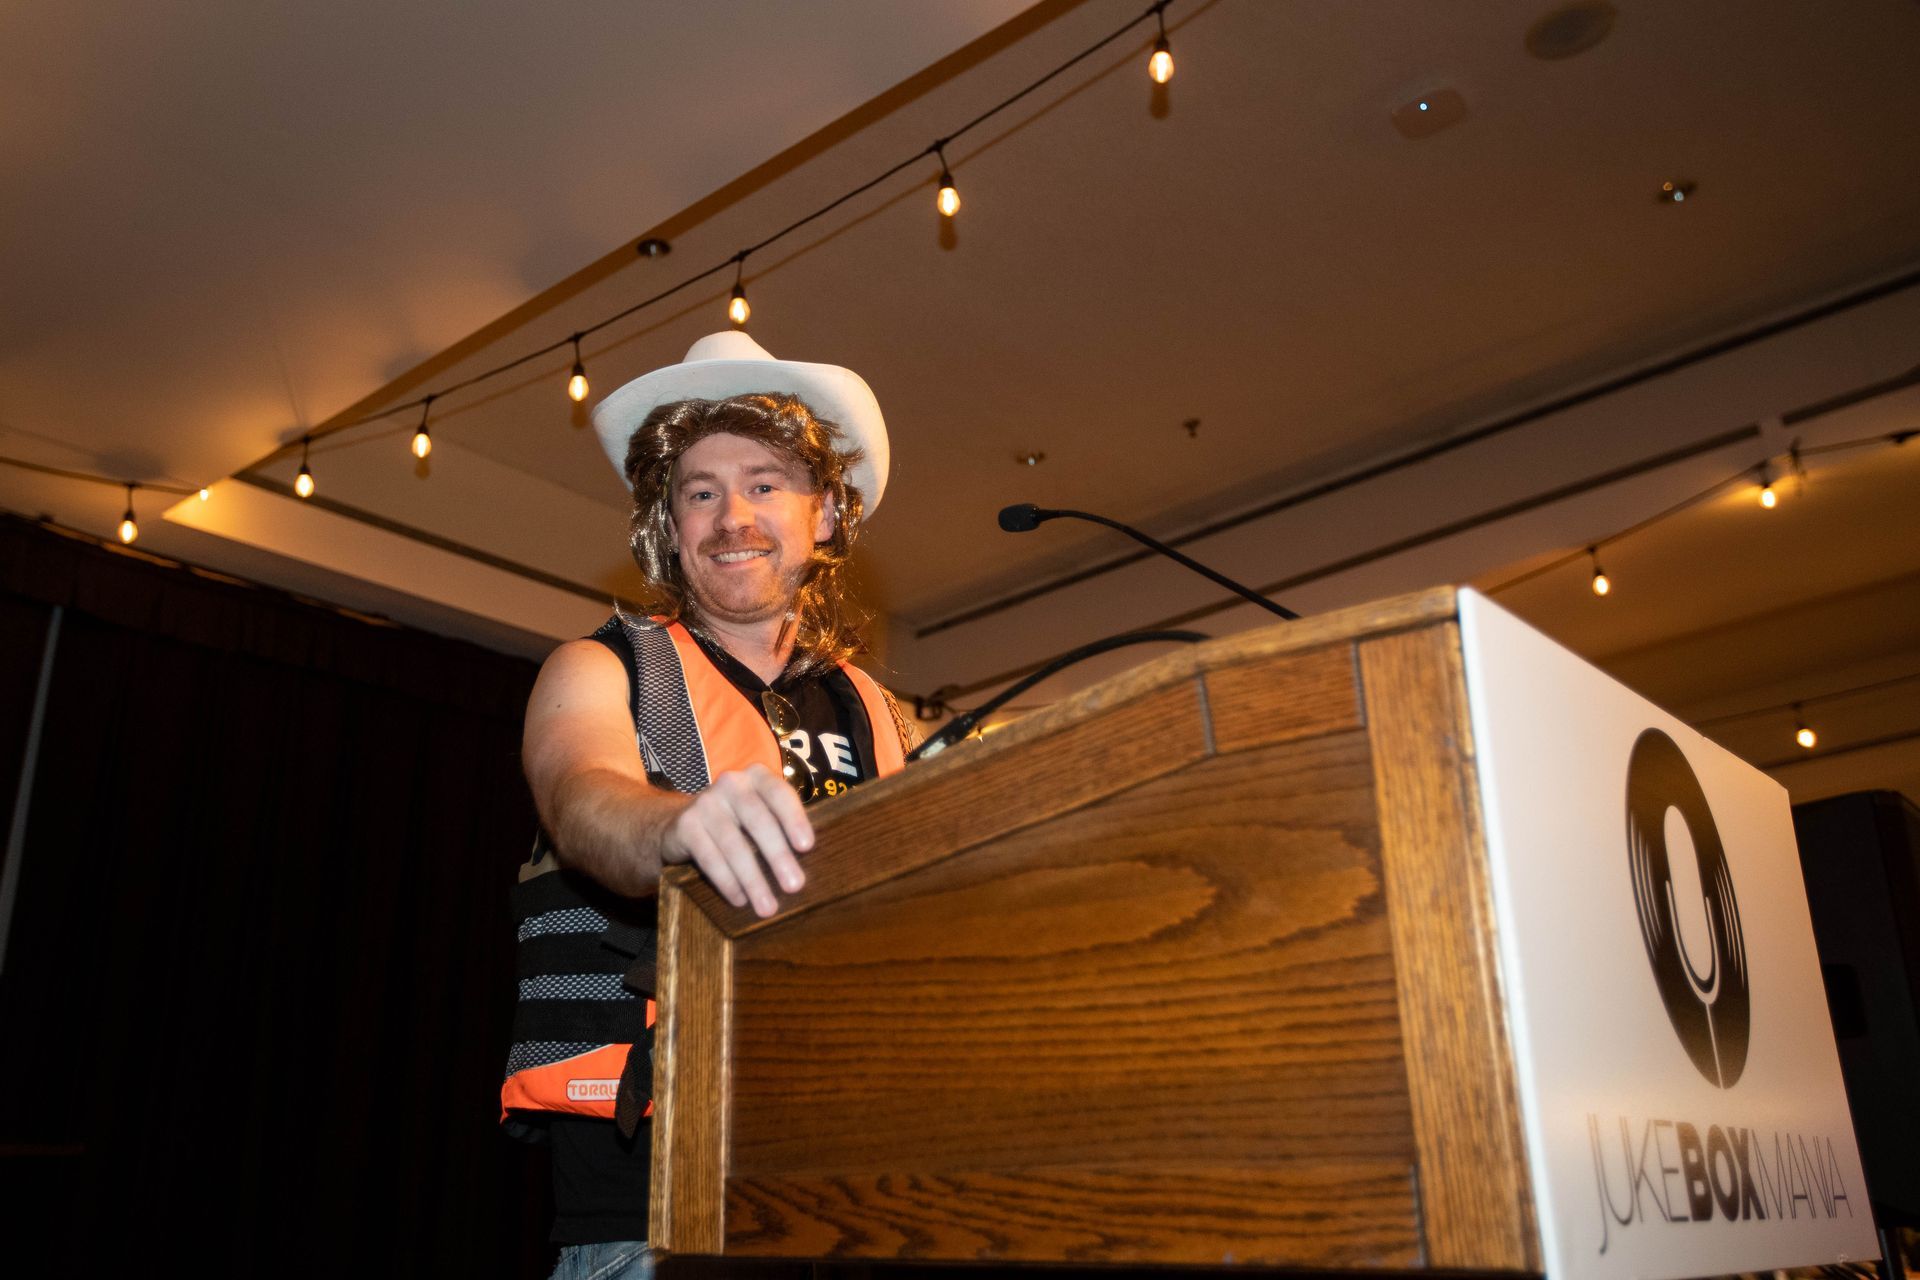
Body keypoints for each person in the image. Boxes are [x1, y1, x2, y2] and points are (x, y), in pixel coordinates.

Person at [501, 331, 917, 1279]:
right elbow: (582, 800)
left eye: (766, 483)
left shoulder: (893, 720)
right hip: (649, 1212)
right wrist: (680, 826)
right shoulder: (598, 668)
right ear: (670, 526)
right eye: (700, 491)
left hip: (863, 1193)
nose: (732, 514)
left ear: (825, 516)